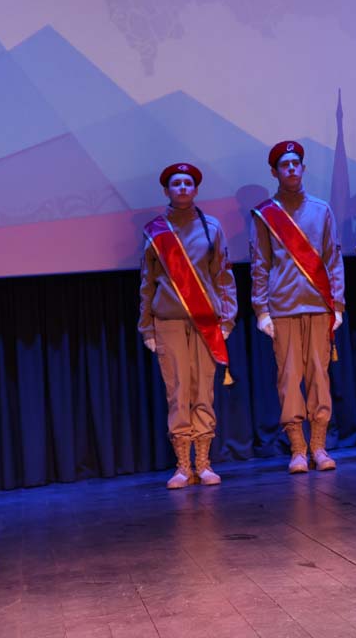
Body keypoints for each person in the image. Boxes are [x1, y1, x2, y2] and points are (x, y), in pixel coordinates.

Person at [139, 163, 237, 489]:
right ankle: (183, 466)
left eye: (188, 183)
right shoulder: (155, 231)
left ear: (195, 190)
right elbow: (147, 283)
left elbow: (223, 276)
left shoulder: (211, 227)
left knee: (203, 391)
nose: (182, 188)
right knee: (178, 392)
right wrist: (146, 327)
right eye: (176, 183)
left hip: (206, 321)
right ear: (166, 191)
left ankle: (204, 463)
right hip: (168, 321)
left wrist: (227, 318)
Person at [250, 141, 346, 473]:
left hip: (319, 306)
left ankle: (319, 447)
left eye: (295, 163)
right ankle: (297, 450)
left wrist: (338, 305)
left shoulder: (322, 210)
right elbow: (260, 264)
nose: (291, 169)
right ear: (274, 172)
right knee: (289, 380)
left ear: (303, 169)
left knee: (320, 376)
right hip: (283, 307)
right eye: (284, 165)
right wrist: (261, 310)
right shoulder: (266, 214)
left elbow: (333, 260)